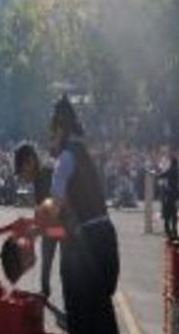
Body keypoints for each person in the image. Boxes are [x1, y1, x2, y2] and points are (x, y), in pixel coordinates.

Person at [36, 95, 120, 333]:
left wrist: (37, 229)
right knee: (103, 315)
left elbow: (54, 211)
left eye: (52, 131)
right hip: (106, 239)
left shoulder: (64, 160)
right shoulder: (84, 153)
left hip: (85, 246)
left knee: (81, 319)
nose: (50, 137)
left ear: (60, 129)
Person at [14, 142, 58, 297]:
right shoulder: (40, 177)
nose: (21, 176)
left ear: (30, 162)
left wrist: (36, 231)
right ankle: (45, 290)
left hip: (66, 229)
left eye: (21, 171)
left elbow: (53, 211)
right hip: (56, 229)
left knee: (68, 266)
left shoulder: (46, 175)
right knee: (47, 253)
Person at [158, 156, 179, 239]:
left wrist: (153, 173)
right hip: (174, 194)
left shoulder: (171, 170)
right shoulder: (176, 169)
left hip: (169, 194)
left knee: (167, 213)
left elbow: (161, 175)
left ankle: (168, 231)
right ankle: (174, 230)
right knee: (174, 213)